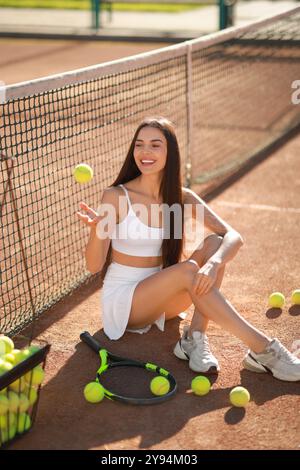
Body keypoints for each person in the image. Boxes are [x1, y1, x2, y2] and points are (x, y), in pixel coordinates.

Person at [77, 116, 300, 382]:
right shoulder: (115, 196)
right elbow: (93, 266)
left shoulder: (180, 197)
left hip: (164, 298)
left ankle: (193, 339)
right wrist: (95, 232)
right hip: (126, 303)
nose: (145, 152)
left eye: (155, 145)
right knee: (188, 271)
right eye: (139, 144)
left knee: (216, 244)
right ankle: (264, 349)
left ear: (170, 152)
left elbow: (233, 236)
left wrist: (215, 262)